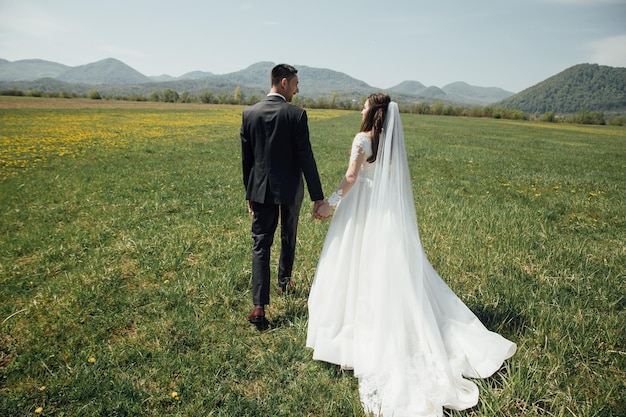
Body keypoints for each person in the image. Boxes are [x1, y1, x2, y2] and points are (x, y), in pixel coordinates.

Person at [306, 93, 516, 416]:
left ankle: (350, 335)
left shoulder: (362, 139)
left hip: (361, 210)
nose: (361, 109)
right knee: (383, 273)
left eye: (364, 105)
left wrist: (327, 204)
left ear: (373, 111)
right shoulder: (391, 141)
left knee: (353, 269)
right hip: (385, 214)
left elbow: (351, 178)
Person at [241, 63, 328, 325]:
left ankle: (258, 306)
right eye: (296, 84)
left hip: (260, 189)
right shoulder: (296, 115)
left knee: (260, 244)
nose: (297, 90)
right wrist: (318, 197)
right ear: (283, 83)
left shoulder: (249, 113)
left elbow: (248, 159)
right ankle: (283, 282)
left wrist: (249, 192)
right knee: (288, 235)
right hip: (290, 189)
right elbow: (306, 158)